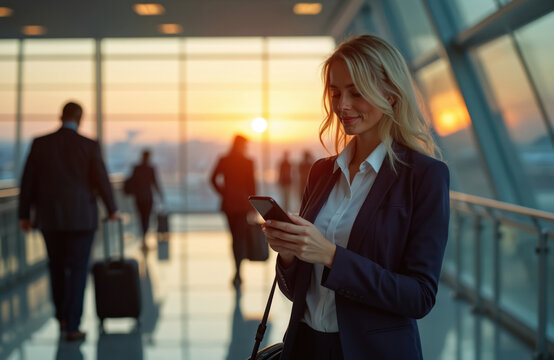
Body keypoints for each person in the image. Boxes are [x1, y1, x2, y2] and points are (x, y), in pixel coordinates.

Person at [263, 34, 450, 360]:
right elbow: (296, 292)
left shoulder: (424, 176)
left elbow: (419, 297)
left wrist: (332, 256)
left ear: (391, 95)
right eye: (335, 93)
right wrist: (291, 252)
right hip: (304, 347)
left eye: (356, 92)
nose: (342, 105)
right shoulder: (322, 172)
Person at [18, 101, 118, 341]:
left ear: (60, 116)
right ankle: (73, 325)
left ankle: (61, 317)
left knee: (56, 267)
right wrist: (112, 209)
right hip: (82, 218)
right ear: (81, 119)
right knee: (78, 270)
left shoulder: (40, 143)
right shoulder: (89, 145)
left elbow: (28, 181)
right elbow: (102, 179)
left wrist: (24, 215)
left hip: (50, 218)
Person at [210, 135, 256, 287]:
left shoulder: (224, 160)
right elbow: (252, 186)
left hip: (229, 204)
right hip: (243, 204)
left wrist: (224, 192)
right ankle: (238, 272)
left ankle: (236, 271)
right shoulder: (248, 162)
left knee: (234, 238)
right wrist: (253, 206)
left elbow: (212, 179)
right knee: (240, 238)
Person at [129, 149, 163, 249]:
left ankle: (143, 239)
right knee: (146, 219)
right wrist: (161, 195)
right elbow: (155, 182)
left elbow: (132, 182)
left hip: (139, 197)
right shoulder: (150, 168)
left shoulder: (137, 168)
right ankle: (144, 239)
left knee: (141, 218)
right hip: (147, 198)